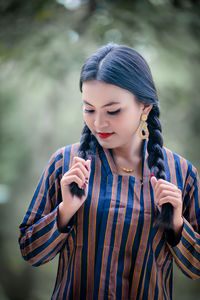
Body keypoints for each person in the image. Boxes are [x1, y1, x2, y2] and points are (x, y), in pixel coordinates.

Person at [18, 43, 200, 300]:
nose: (99, 123)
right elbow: (30, 251)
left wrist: (178, 225)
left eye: (113, 111)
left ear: (145, 107)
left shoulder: (181, 174)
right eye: (89, 109)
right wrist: (65, 211)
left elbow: (196, 268)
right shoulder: (65, 163)